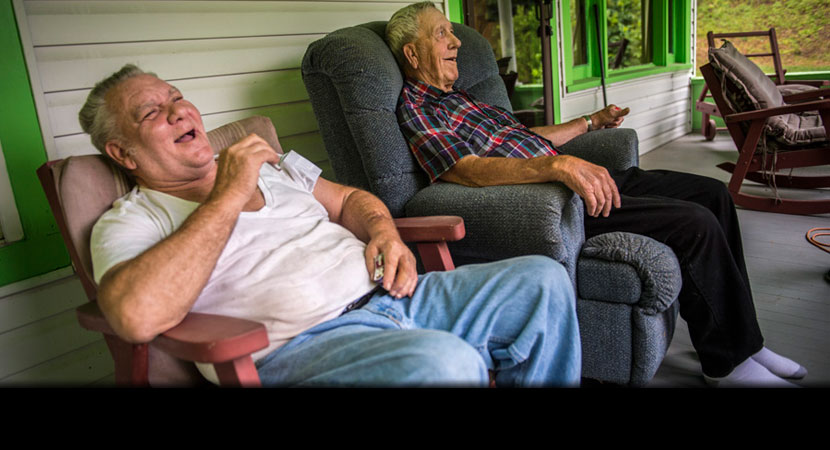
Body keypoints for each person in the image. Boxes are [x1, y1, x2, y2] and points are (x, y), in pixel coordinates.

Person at [79, 64, 582, 387]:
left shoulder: (272, 164)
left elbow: (352, 200)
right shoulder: (130, 221)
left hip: (397, 297)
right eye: (152, 112)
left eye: (177, 97)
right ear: (123, 153)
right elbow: (134, 317)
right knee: (445, 364)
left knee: (541, 280)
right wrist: (227, 195)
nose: (178, 112)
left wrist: (384, 232)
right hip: (305, 350)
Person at [387, 2, 807, 387]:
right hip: (555, 205)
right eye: (442, 34)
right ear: (412, 53)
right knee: (694, 224)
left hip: (578, 178)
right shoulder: (420, 107)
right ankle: (730, 364)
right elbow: (465, 169)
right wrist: (556, 165)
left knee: (713, 193)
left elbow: (523, 137)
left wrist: (590, 121)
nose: (456, 41)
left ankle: (746, 341)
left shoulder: (461, 99)